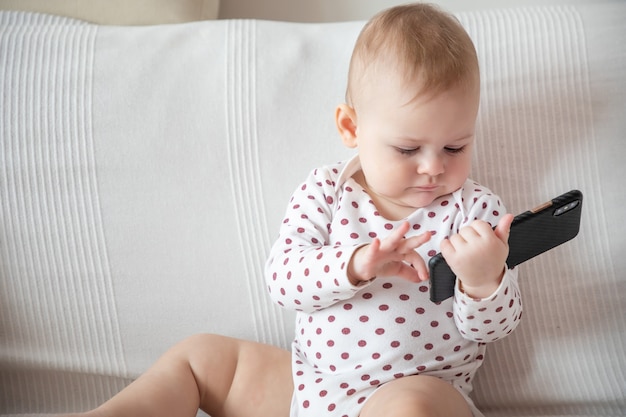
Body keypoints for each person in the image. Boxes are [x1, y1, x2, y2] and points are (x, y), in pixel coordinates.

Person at [69, 3, 522, 417]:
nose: (433, 167)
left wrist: (485, 281)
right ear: (351, 127)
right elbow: (283, 281)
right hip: (309, 389)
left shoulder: (475, 211)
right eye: (407, 149)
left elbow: (495, 328)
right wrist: (354, 264)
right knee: (198, 357)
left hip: (417, 390)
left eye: (455, 146)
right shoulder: (327, 190)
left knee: (413, 410)